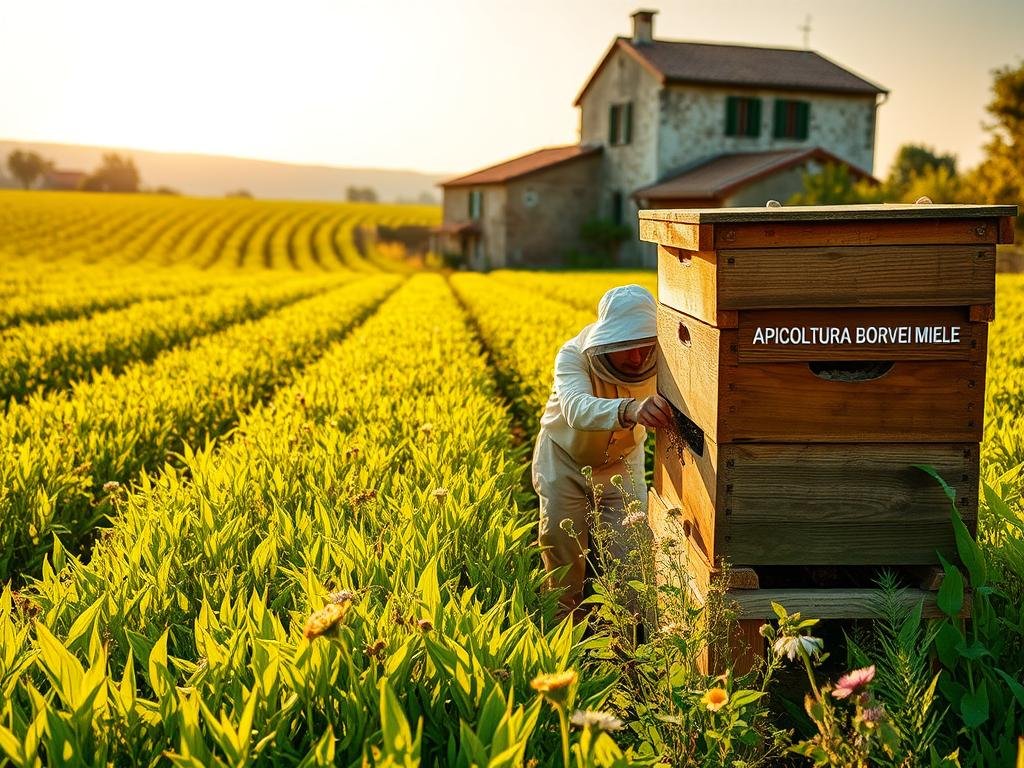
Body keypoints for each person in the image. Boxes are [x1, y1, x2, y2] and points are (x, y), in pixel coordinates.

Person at [532, 284, 673, 622]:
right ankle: (562, 631)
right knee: (561, 547)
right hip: (563, 462)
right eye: (626, 348)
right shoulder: (572, 356)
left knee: (632, 552)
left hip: (622, 464)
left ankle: (626, 643)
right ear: (606, 340)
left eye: (644, 346)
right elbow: (576, 409)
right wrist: (631, 409)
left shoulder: (665, 360)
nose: (637, 357)